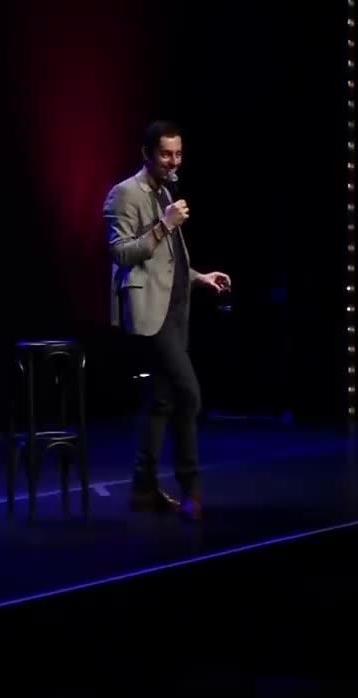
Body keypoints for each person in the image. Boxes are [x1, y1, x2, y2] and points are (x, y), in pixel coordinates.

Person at [104, 120, 231, 521]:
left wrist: (201, 278)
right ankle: (191, 487)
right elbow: (121, 253)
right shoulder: (125, 193)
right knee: (189, 394)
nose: (173, 162)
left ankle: (143, 489)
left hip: (176, 311)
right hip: (149, 314)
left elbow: (169, 265)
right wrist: (164, 224)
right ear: (147, 154)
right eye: (165, 154)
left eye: (178, 154)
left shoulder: (165, 193)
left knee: (161, 400)